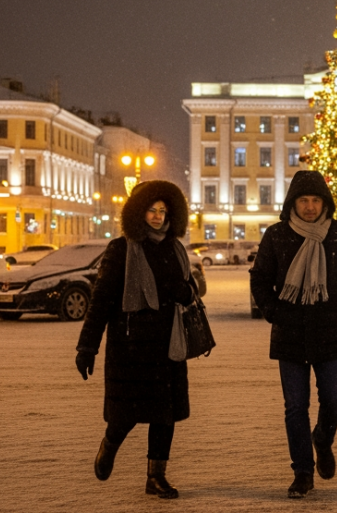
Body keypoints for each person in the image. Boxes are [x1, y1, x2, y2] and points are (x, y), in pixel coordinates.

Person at [250, 170, 337, 499]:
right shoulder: (276, 235)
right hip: (289, 332)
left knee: (334, 399)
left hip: (330, 331)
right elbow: (259, 278)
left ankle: (323, 439)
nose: (310, 206)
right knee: (295, 407)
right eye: (303, 200)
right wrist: (274, 312)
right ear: (293, 202)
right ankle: (302, 471)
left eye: (316, 200)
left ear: (324, 202)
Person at [76, 180, 196, 499]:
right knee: (124, 416)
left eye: (162, 211)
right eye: (151, 210)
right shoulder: (121, 249)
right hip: (130, 346)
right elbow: (101, 300)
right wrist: (87, 346)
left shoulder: (175, 248)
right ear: (138, 212)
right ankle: (109, 444)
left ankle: (156, 476)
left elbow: (192, 289)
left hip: (168, 344)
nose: (157, 217)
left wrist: (183, 290)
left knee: (164, 416)